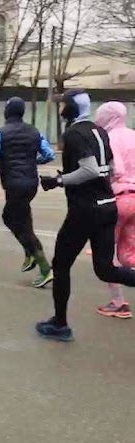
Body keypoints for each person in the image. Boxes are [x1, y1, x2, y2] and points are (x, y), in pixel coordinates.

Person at [36, 90, 135, 341]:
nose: (61, 111)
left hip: (85, 210)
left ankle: (60, 324)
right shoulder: (99, 131)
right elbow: (111, 169)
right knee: (105, 269)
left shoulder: (74, 134)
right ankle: (59, 322)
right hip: (107, 205)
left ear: (71, 108)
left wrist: (59, 180)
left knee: (61, 264)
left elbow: (89, 169)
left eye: (63, 106)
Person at [0, 96, 55, 288]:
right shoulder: (34, 132)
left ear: (7, 112)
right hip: (31, 183)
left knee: (14, 220)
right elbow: (49, 154)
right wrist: (32, 162)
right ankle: (30, 253)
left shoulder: (0, 133)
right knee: (19, 218)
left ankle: (44, 266)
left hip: (12, 184)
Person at [93, 102, 135, 318]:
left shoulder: (108, 138)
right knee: (130, 254)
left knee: (108, 255)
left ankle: (119, 302)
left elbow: (115, 169)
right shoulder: (133, 135)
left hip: (118, 199)